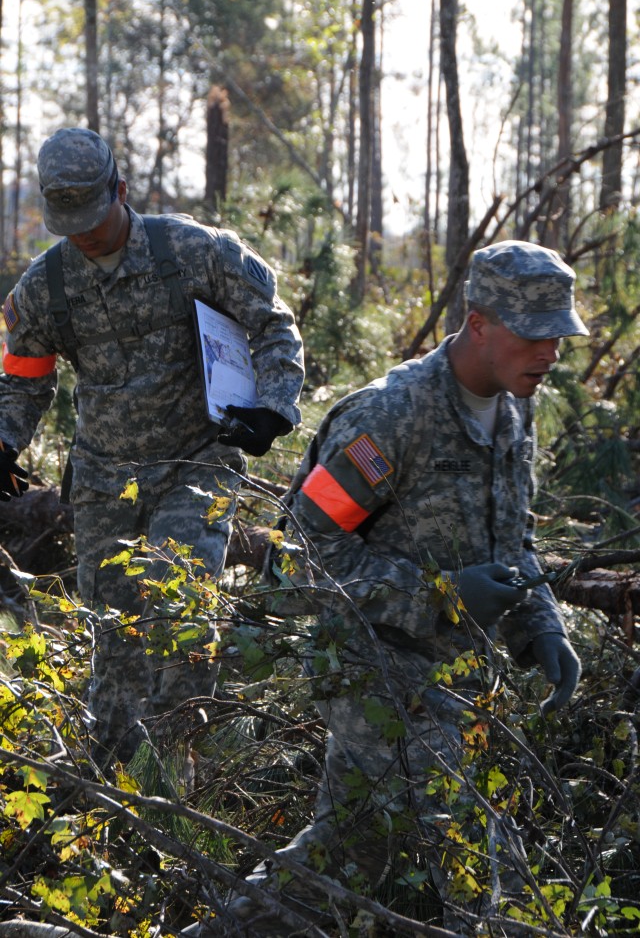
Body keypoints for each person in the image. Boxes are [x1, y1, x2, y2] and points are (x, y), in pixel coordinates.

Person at [189, 240, 587, 936]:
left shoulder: (515, 413)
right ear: (480, 321)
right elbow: (301, 553)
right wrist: (439, 595)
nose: (551, 352)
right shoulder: (392, 417)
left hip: (459, 676)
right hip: (376, 667)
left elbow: (513, 542)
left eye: (560, 335)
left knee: (352, 852)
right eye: (535, 333)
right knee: (463, 860)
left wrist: (542, 624)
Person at [0, 127, 304, 765]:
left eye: (93, 214)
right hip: (104, 480)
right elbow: (25, 380)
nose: (83, 233)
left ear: (121, 189)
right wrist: (4, 443)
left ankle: (177, 784)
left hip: (196, 464)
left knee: (179, 607)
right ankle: (114, 789)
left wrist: (273, 407)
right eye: (69, 221)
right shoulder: (44, 287)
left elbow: (271, 323)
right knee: (113, 639)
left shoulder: (193, 250)